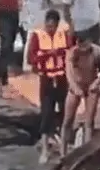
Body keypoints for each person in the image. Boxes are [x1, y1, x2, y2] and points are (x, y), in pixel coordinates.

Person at [27, 9, 71, 161]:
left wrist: (60, 53)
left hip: (62, 78)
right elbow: (30, 58)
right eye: (48, 25)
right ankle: (45, 149)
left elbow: (70, 54)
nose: (50, 28)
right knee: (46, 113)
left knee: (65, 112)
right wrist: (46, 55)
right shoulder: (37, 35)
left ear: (57, 25)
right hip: (46, 79)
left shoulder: (64, 35)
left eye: (53, 26)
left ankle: (64, 147)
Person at [62, 31, 100, 155]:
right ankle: (63, 152)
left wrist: (97, 82)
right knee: (67, 120)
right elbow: (69, 73)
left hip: (91, 85)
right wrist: (75, 88)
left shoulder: (98, 52)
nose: (83, 48)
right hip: (75, 86)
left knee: (89, 121)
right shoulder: (72, 53)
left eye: (85, 44)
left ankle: (88, 152)